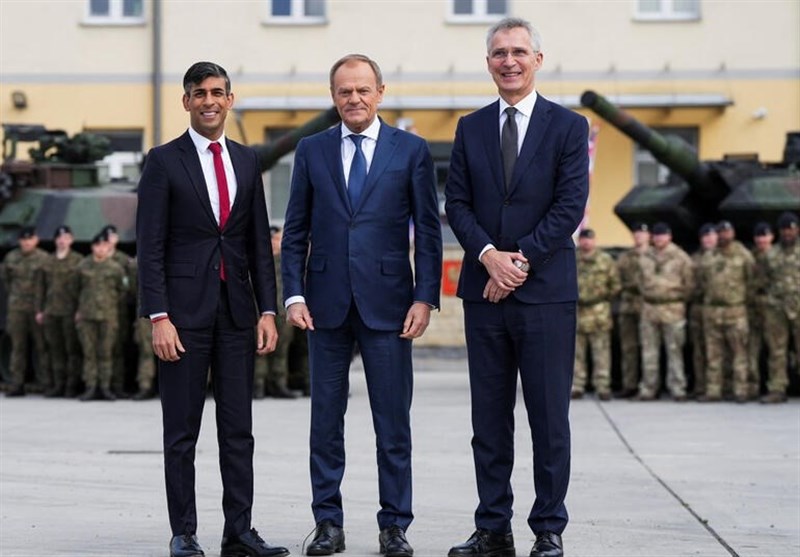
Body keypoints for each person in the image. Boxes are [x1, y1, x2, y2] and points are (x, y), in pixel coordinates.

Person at [281, 53, 442, 557]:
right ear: (333, 96)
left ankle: (394, 525)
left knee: (392, 424)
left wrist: (425, 297)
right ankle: (328, 523)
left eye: (362, 90)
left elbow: (429, 231)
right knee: (325, 423)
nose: (354, 99)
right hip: (324, 306)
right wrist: (293, 293)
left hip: (390, 307)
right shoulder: (311, 150)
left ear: (380, 93)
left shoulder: (411, 150)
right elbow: (295, 229)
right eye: (344, 91)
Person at [444, 18, 589, 557]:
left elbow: (569, 206)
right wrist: (488, 256)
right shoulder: (470, 127)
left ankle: (548, 527)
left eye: (519, 52)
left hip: (545, 294)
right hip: (484, 294)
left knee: (549, 418)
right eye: (500, 53)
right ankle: (492, 528)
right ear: (488, 63)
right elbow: (456, 203)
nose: (509, 61)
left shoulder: (568, 127)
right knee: (488, 419)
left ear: (537, 60)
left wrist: (518, 262)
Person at [136, 61, 287, 557]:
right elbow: (150, 246)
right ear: (186, 101)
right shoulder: (164, 161)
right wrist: (158, 316)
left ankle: (238, 532)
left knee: (238, 431)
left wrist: (268, 310)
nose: (209, 101)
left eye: (217, 92)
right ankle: (184, 532)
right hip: (182, 318)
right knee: (182, 431)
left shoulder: (246, 160)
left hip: (237, 314)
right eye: (199, 93)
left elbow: (257, 243)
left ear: (229, 99)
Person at [636, 222, 694, 401]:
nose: (659, 238)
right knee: (649, 351)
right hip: (649, 309)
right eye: (656, 235)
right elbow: (640, 282)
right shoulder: (645, 257)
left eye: (663, 235)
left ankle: (677, 388)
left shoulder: (681, 257)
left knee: (674, 350)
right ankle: (648, 388)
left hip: (672, 309)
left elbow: (690, 285)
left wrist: (675, 298)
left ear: (669, 236)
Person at [697, 221, 754, 402]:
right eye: (720, 232)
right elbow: (702, 281)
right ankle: (714, 390)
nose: (724, 236)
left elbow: (752, 282)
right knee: (713, 354)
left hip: (735, 311)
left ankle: (740, 390)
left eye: (727, 232)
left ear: (733, 233)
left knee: (739, 354)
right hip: (713, 311)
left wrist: (740, 300)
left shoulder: (743, 255)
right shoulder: (708, 257)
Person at [75, 231, 126, 401]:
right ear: (93, 247)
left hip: (108, 316)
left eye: (104, 245)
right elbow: (74, 289)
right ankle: (91, 386)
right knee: (89, 353)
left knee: (106, 352)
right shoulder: (82, 266)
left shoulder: (115, 268)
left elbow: (122, 291)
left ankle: (105, 387)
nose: (101, 249)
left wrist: (109, 304)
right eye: (98, 245)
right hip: (87, 316)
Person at [572, 228, 620, 401]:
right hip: (578, 311)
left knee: (601, 352)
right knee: (577, 353)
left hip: (599, 312)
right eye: (583, 239)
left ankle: (602, 386)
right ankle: (577, 385)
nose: (586, 242)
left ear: (594, 240)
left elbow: (615, 285)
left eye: (589, 239)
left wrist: (602, 299)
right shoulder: (572, 258)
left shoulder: (605, 260)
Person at [36, 225, 84, 397]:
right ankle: (58, 384)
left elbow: (83, 288)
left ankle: (71, 386)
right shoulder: (47, 261)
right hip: (51, 311)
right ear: (55, 240)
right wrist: (39, 309)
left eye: (66, 238)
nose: (63, 241)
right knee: (55, 350)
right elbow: (40, 287)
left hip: (70, 311)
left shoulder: (78, 261)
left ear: (71, 240)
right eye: (60, 238)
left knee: (72, 350)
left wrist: (80, 309)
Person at [2, 226, 50, 397]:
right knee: (17, 347)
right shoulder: (11, 257)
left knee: (42, 346)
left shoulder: (44, 258)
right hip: (17, 309)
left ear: (36, 240)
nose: (27, 242)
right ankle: (16, 383)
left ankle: (45, 383)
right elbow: (7, 281)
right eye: (24, 239)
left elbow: (47, 283)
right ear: (20, 241)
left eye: (30, 239)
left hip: (37, 308)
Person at [254, 225, 298, 399]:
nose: (274, 243)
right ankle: (258, 384)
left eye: (278, 239)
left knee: (281, 350)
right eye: (272, 239)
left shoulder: (287, 261)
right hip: (261, 311)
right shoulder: (260, 261)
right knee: (260, 348)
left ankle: (278, 383)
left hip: (282, 310)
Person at [761, 212, 800, 403]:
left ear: (797, 230)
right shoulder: (771, 254)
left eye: (791, 229)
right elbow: (763, 280)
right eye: (784, 230)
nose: (787, 233)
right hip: (776, 307)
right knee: (777, 349)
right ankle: (777, 388)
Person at [615, 222, 649, 398]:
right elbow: (615, 280)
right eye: (636, 233)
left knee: (649, 348)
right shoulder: (625, 258)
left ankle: (649, 386)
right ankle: (630, 384)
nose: (638, 236)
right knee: (629, 347)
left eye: (642, 233)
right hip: (628, 305)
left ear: (648, 236)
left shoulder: (655, 256)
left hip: (648, 305)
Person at [102, 223, 134, 396]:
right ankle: (104, 385)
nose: (109, 240)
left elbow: (129, 285)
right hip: (101, 310)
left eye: (112, 236)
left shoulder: (123, 260)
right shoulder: (97, 258)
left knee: (119, 348)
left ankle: (119, 385)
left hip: (119, 310)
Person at [688, 223, 717, 399]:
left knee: (717, 350)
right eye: (705, 236)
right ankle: (700, 386)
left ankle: (720, 386)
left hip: (717, 308)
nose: (708, 239)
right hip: (698, 308)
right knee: (699, 349)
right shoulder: (694, 259)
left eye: (711, 236)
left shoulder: (724, 256)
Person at [749, 222, 774, 397]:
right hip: (754, 308)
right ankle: (754, 386)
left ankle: (776, 386)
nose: (761, 240)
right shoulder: (750, 258)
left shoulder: (778, 255)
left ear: (771, 237)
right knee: (752, 350)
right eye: (759, 236)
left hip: (775, 308)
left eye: (765, 236)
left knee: (776, 351)